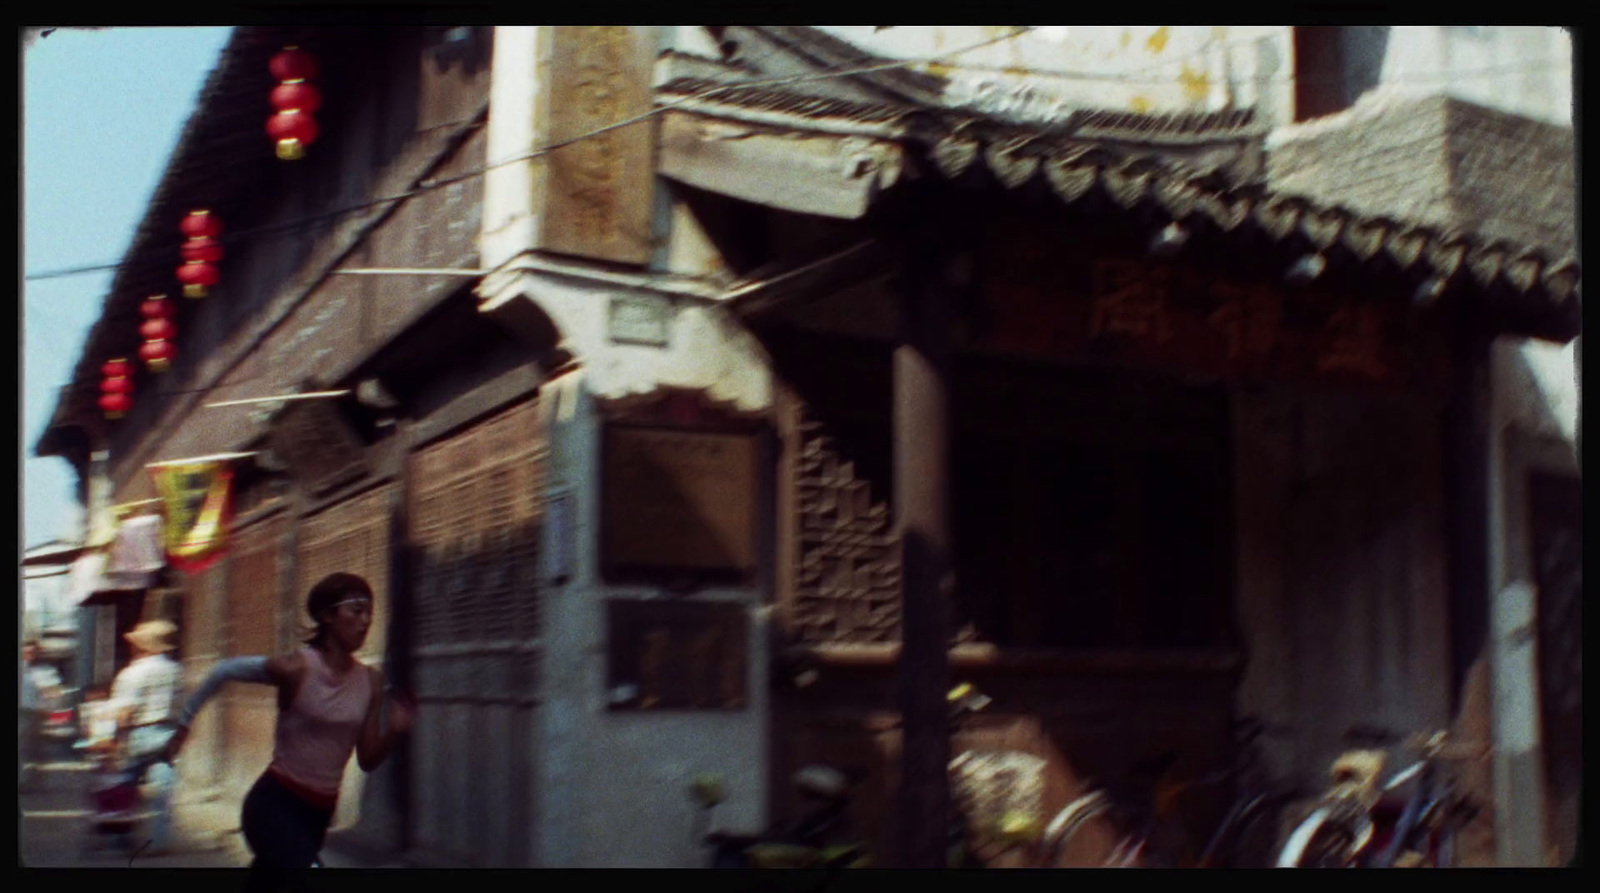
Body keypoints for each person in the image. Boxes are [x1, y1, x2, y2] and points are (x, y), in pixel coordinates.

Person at [165, 573, 414, 877]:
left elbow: (367, 758)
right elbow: (223, 670)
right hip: (274, 804)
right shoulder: (297, 668)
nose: (365, 622)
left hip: (318, 814)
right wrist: (183, 725)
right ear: (327, 616)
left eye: (370, 614)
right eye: (356, 610)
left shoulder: (371, 681)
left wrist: (395, 730)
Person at [107, 619, 183, 853]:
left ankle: (121, 837)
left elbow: (126, 710)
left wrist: (118, 739)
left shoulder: (133, 673)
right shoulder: (176, 671)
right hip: (167, 733)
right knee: (162, 789)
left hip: (139, 732)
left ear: (143, 646)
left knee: (125, 786)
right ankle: (158, 840)